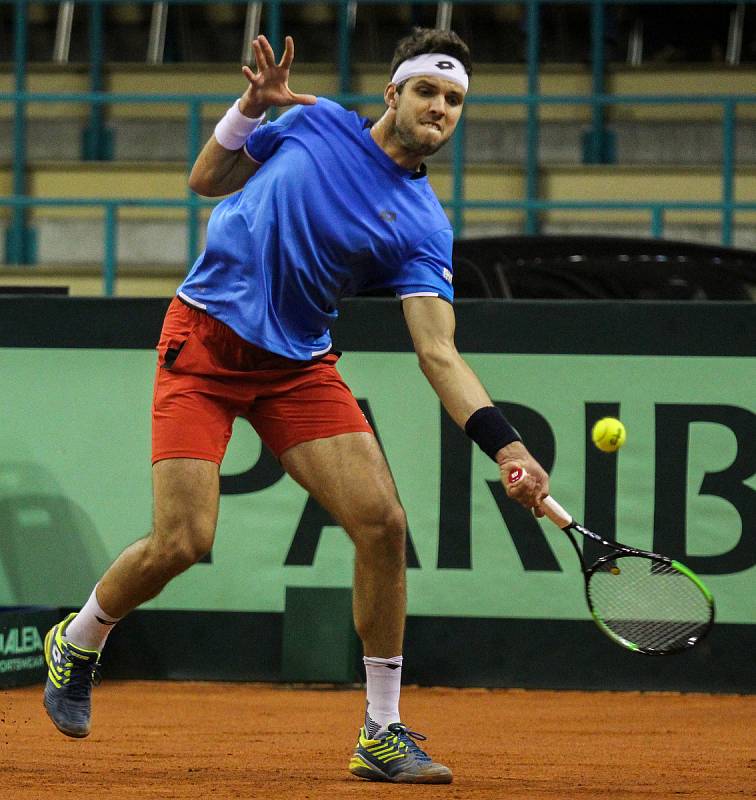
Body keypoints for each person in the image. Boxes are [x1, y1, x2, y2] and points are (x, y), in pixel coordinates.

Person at [42, 27, 549, 784]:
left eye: (454, 100)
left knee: (382, 525)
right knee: (182, 540)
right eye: (427, 91)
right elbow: (206, 179)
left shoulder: (424, 227)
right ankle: (79, 639)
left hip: (297, 368)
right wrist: (247, 109)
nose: (440, 108)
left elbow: (438, 352)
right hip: (205, 342)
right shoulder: (316, 122)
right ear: (393, 94)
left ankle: (381, 729)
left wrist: (508, 446)